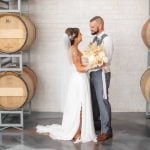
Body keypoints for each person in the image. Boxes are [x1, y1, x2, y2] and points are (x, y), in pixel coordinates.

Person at [36, 28, 96, 143]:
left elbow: (82, 61)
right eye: (80, 34)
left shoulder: (75, 48)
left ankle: (78, 130)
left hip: (80, 80)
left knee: (80, 104)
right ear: (75, 37)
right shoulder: (73, 50)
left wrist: (91, 51)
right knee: (80, 105)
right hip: (79, 80)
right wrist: (92, 66)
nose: (82, 34)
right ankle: (77, 132)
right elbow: (79, 68)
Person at [89, 16, 114, 141]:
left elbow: (106, 59)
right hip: (93, 73)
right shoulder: (95, 39)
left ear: (100, 26)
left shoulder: (107, 40)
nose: (91, 29)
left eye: (93, 27)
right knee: (94, 100)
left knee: (102, 100)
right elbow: (91, 56)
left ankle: (107, 131)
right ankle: (97, 124)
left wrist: (93, 62)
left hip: (102, 74)